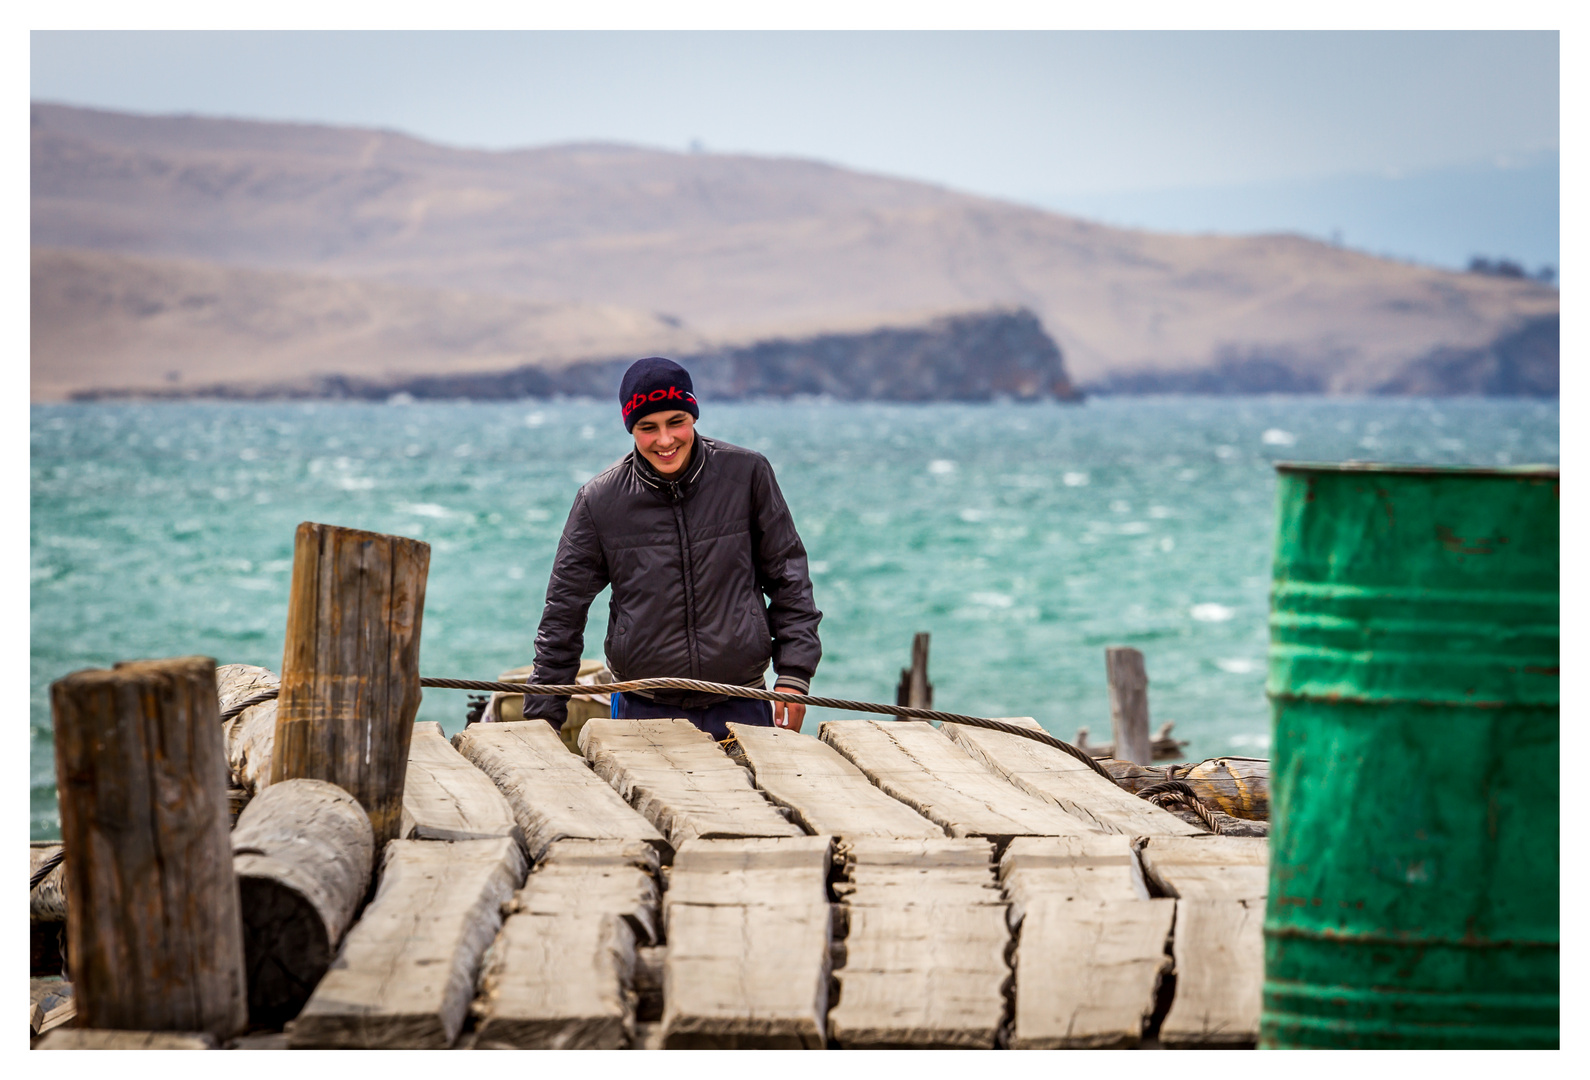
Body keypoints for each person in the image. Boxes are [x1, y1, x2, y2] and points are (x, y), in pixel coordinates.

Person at [520, 356, 822, 740]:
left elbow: (788, 579)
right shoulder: (599, 500)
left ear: (693, 416)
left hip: (742, 701)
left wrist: (794, 677)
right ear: (631, 429)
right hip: (641, 707)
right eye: (648, 427)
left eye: (675, 421)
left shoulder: (747, 475)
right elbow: (563, 612)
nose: (665, 440)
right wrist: (541, 718)